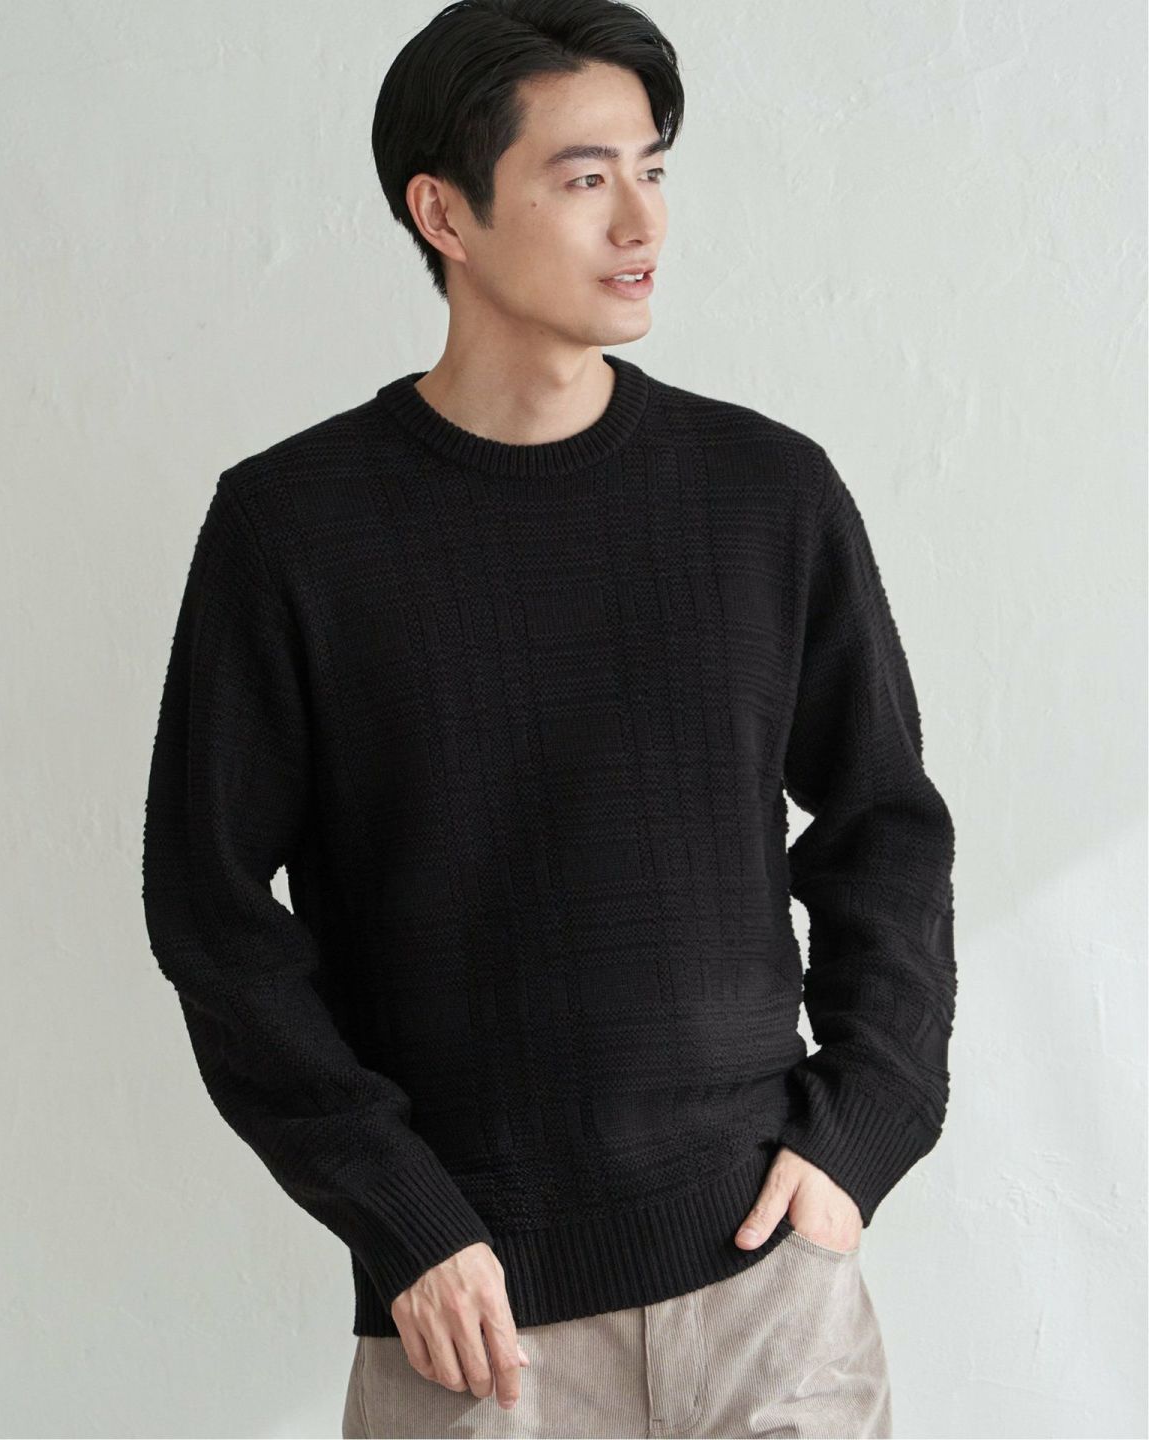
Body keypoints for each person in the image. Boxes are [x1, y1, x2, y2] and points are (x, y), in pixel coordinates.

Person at [141, 2, 957, 1436]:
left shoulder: (766, 494)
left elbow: (884, 825)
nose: (642, 220)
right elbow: (210, 911)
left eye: (654, 168)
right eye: (585, 178)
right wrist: (400, 1216)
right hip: (474, 1327)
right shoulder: (294, 530)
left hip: (770, 1292)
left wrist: (863, 1130)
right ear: (443, 212)